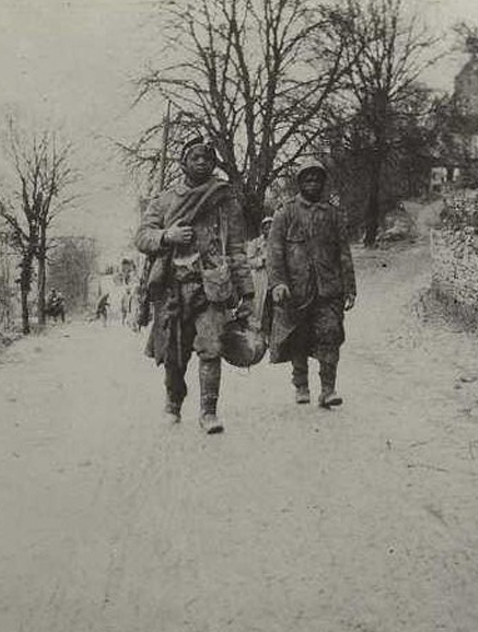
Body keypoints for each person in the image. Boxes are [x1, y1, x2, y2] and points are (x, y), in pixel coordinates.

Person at [135, 136, 254, 433]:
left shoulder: (225, 200)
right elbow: (141, 237)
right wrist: (167, 236)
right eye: (195, 157)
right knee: (174, 353)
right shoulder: (163, 200)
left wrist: (247, 292)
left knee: (211, 347)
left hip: (211, 286)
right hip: (173, 287)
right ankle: (173, 404)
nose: (201, 162)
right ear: (183, 163)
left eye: (206, 157)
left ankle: (208, 412)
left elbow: (237, 248)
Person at [267, 159, 356, 408]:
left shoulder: (333, 214)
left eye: (317, 179)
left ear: (323, 182)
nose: (313, 183)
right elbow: (274, 252)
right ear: (300, 183)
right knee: (299, 337)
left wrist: (349, 287)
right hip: (295, 290)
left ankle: (328, 390)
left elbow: (344, 253)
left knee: (331, 334)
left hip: (328, 289)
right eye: (308, 179)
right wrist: (278, 284)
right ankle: (301, 386)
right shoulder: (286, 212)